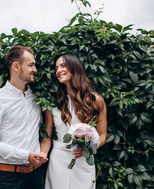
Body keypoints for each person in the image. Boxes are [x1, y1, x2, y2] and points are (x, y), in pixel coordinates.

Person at [0, 45, 47, 189]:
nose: (35, 70)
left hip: (36, 176)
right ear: (16, 67)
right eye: (31, 65)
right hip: (8, 178)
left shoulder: (36, 99)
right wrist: (25, 155)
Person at [40, 54, 107, 189]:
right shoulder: (52, 103)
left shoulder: (96, 100)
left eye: (63, 66)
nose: (58, 70)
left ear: (75, 68)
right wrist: (42, 154)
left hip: (83, 160)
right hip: (58, 161)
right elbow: (47, 137)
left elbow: (103, 135)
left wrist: (89, 148)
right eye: (56, 68)